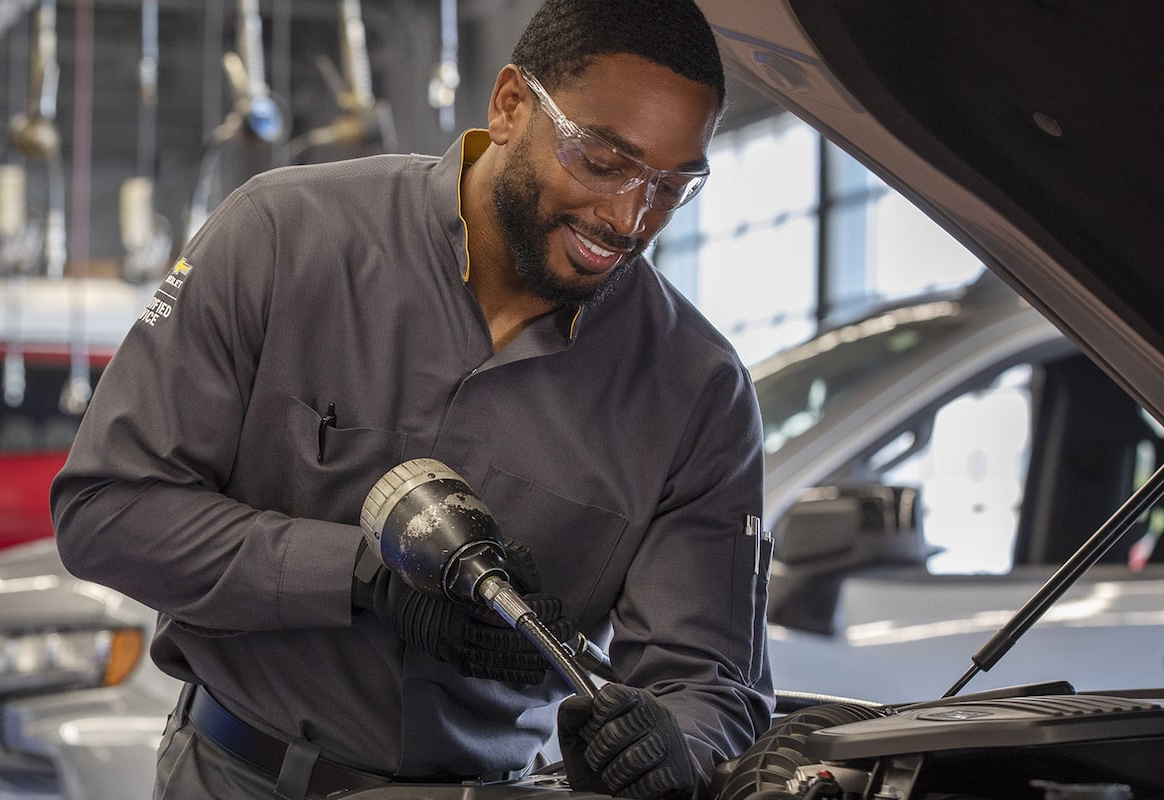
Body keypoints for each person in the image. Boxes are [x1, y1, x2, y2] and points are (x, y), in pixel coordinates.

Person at [51, 0, 772, 797]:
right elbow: (107, 513)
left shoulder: (698, 392)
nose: (628, 217)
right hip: (234, 776)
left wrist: (676, 744)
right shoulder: (281, 236)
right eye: (602, 162)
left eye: (672, 187)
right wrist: (362, 578)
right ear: (509, 107)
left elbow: (710, 684)